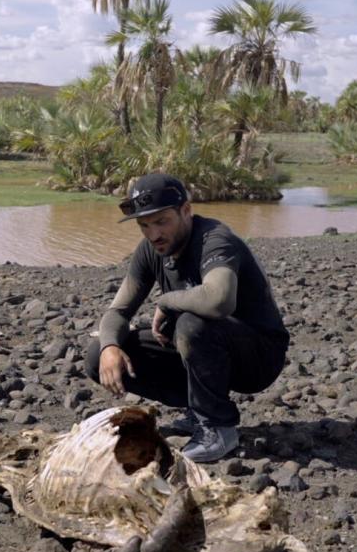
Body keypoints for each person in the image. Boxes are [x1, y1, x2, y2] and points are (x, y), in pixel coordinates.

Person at [85, 172, 289, 463]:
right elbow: (118, 311)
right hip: (204, 346)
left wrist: (167, 301)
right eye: (144, 225)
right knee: (97, 356)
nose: (154, 234)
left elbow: (219, 300)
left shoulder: (215, 240)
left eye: (161, 221)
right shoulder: (151, 250)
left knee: (191, 322)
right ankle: (197, 408)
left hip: (258, 355)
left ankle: (217, 427)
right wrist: (109, 347)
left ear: (186, 211)